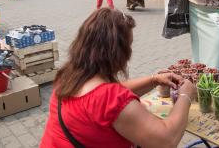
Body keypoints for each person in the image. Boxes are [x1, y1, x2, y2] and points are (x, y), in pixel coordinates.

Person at [40, 8, 196, 148]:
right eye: (129, 45)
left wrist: (154, 80)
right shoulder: (109, 99)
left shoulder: (67, 76)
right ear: (117, 53)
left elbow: (102, 97)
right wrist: (185, 95)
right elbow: (166, 140)